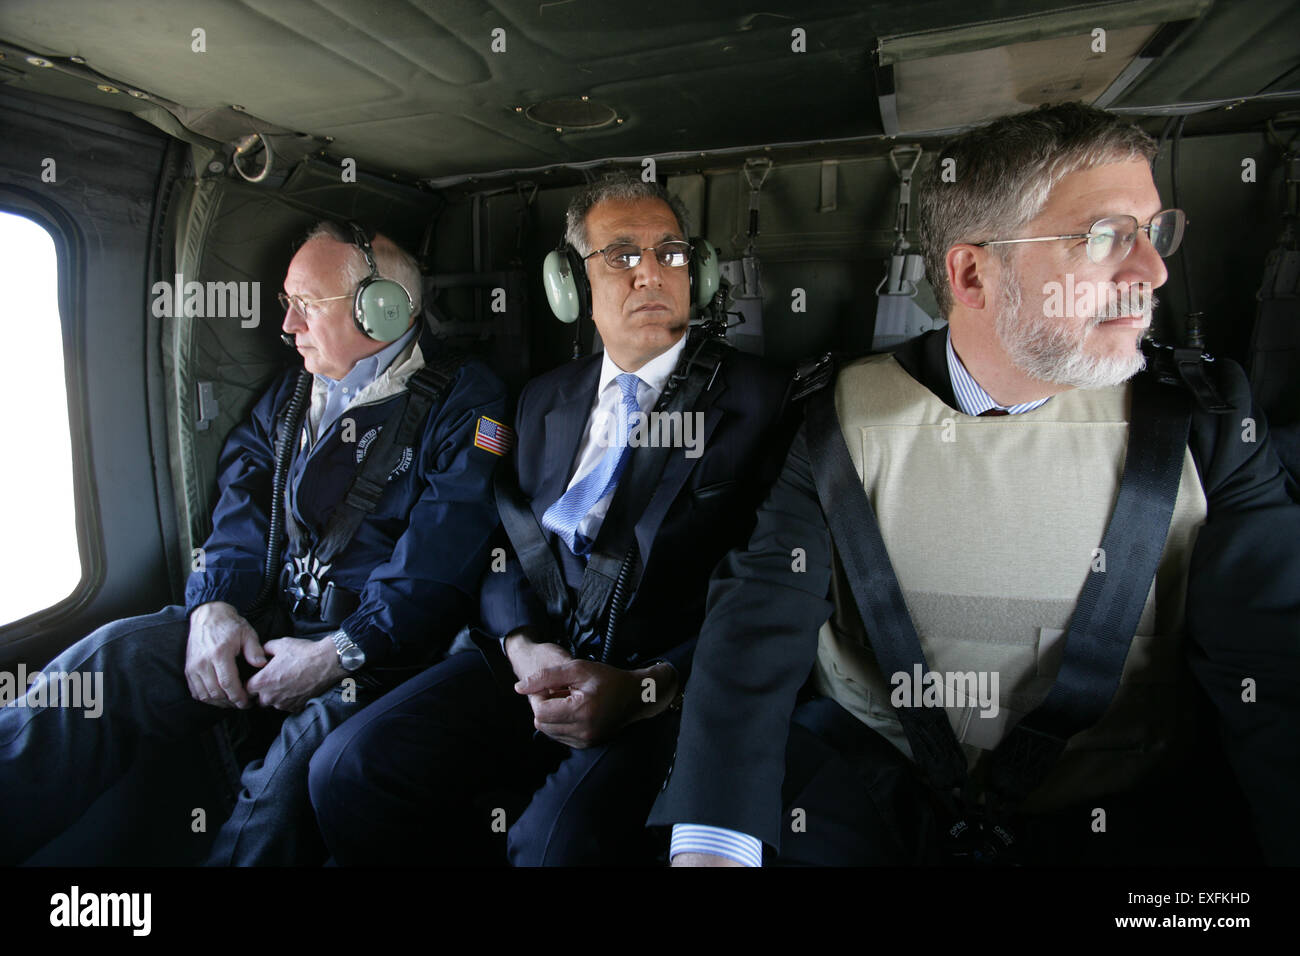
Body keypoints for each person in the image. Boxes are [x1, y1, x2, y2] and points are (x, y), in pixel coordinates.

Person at [653, 102, 1300, 866]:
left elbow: (1272, 665)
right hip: (874, 794)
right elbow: (757, 622)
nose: (1154, 271)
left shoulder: (1209, 421)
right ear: (971, 274)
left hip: (1116, 816)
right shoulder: (838, 415)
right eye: (1104, 238)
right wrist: (713, 844)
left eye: (1155, 232)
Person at [309, 177, 794, 865]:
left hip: (659, 687)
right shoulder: (541, 400)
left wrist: (648, 686)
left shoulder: (766, 401)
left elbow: (770, 591)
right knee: (346, 768)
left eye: (671, 253)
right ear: (569, 284)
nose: (652, 272)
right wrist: (518, 642)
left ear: (700, 271)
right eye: (621, 255)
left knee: (552, 847)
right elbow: (504, 541)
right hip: (534, 661)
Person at [0, 222, 509, 865]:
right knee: (111, 660)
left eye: (306, 305)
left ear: (381, 308)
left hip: (380, 652)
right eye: (285, 304)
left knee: (281, 790)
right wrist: (215, 607)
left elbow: (445, 552)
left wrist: (339, 652)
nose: (288, 327)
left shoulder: (467, 401)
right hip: (265, 620)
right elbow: (242, 502)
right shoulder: (292, 393)